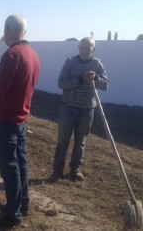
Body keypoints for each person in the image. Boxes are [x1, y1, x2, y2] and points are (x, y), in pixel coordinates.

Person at [0, 14, 40, 229]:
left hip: (6, 123)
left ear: (8, 29)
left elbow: (0, 92)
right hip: (21, 119)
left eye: (4, 30)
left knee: (9, 168)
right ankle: (24, 204)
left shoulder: (11, 55)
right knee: (21, 164)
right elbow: (17, 91)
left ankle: (13, 214)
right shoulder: (33, 55)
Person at [49, 37, 109, 182]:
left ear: (93, 49)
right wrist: (81, 79)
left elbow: (105, 85)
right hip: (68, 108)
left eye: (87, 48)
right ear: (78, 47)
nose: (84, 51)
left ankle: (75, 170)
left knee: (80, 141)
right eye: (81, 47)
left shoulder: (97, 64)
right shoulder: (70, 61)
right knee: (63, 140)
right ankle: (57, 170)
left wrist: (95, 79)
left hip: (87, 110)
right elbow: (61, 83)